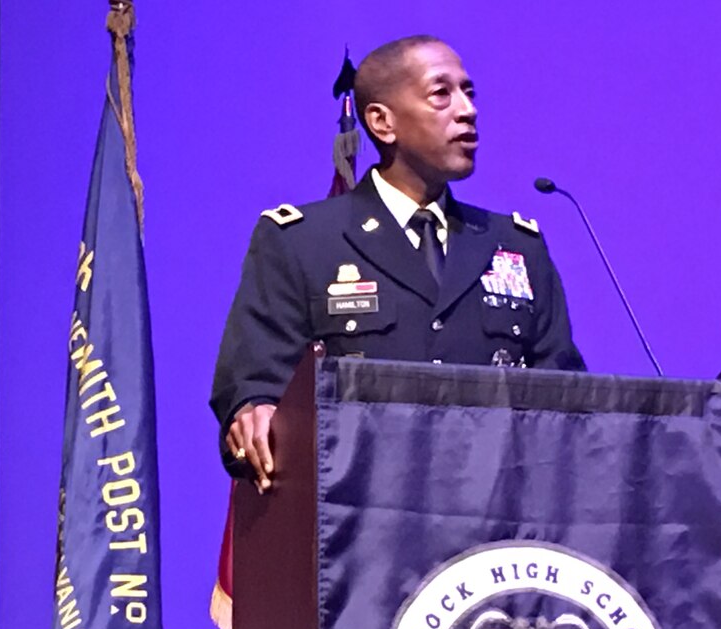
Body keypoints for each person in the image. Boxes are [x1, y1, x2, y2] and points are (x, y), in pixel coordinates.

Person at [210, 35, 584, 490]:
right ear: (382, 123)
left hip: (500, 521)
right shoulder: (303, 241)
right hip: (357, 520)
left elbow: (569, 399)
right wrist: (255, 412)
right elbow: (255, 386)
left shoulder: (516, 244)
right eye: (441, 94)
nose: (467, 109)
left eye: (468, 92)